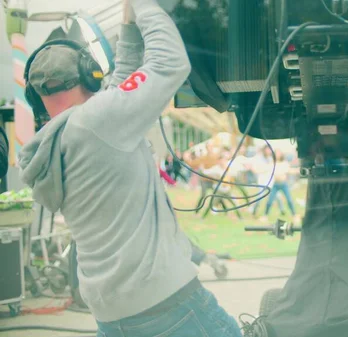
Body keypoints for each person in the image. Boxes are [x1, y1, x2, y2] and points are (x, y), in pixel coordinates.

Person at [17, 1, 240, 336]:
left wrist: (129, 25)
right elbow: (170, 63)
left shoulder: (59, 138)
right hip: (168, 305)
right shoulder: (97, 121)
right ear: (89, 73)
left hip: (114, 315)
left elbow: (121, 85)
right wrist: (144, 5)